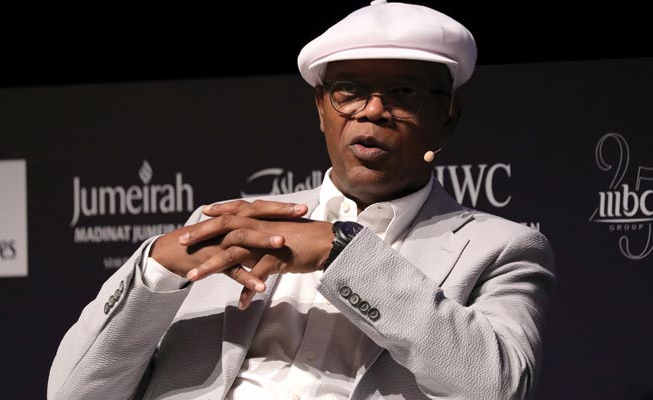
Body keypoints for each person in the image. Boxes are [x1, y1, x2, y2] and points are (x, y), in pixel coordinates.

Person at [48, 1, 555, 399]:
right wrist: (156, 269)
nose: (372, 111)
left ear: (448, 115)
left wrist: (341, 250)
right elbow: (74, 393)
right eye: (349, 91)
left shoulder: (502, 249)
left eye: (404, 93)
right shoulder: (231, 223)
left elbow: (498, 386)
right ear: (321, 108)